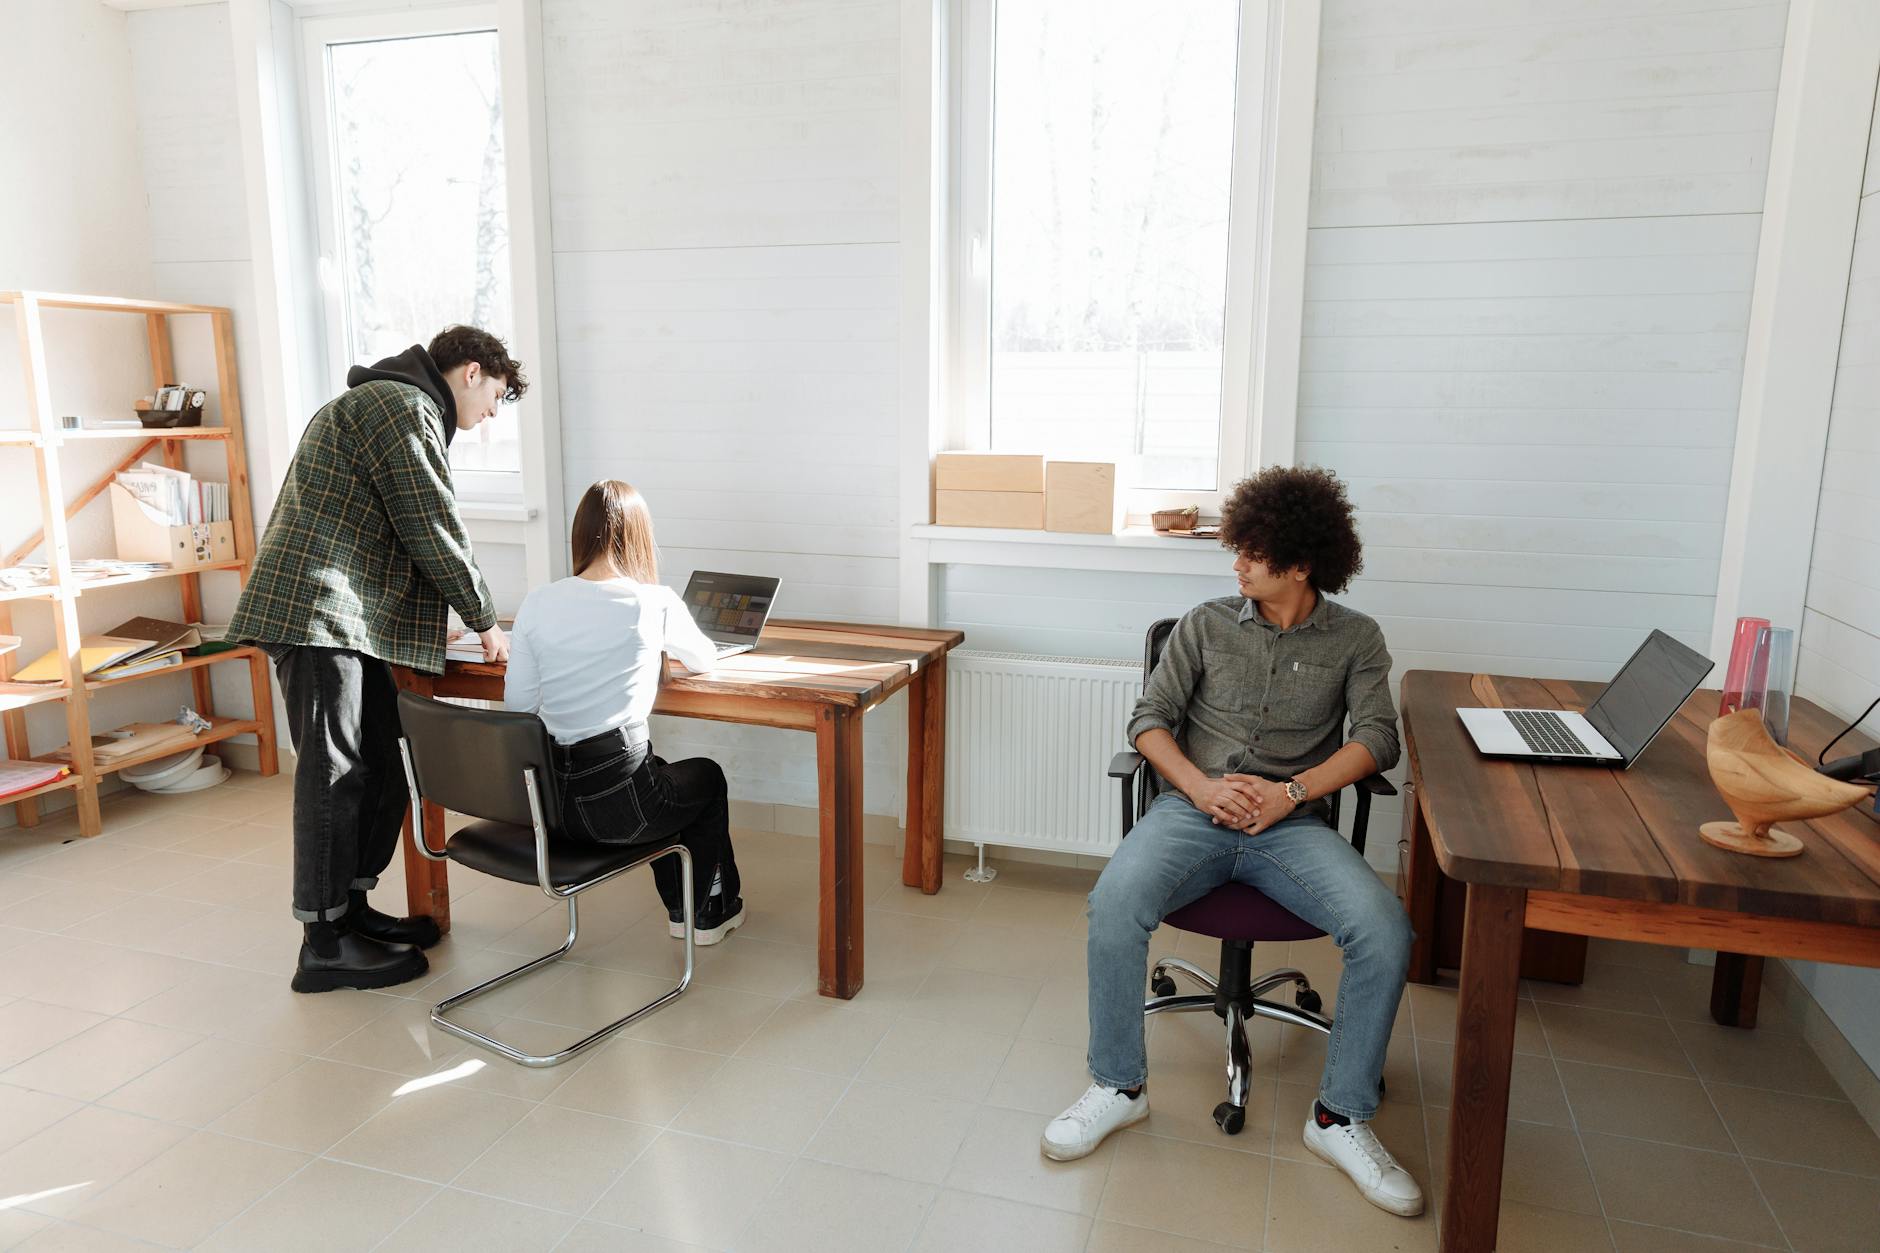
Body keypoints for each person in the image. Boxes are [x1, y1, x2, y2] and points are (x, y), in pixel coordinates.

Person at [1041, 465, 1423, 1217]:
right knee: (1114, 902)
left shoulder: (1356, 638)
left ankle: (1340, 1116)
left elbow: (1379, 738)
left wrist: (1291, 792)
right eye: (1237, 546)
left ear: (1303, 559)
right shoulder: (1206, 622)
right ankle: (1119, 1085)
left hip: (1292, 825)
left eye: (1253, 549)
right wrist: (1202, 787)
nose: (1236, 561)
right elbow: (1147, 720)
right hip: (1193, 813)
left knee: (1386, 928)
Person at [229, 325, 523, 993]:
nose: (490, 417)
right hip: (315, 613)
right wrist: (482, 618)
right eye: (497, 397)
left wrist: (432, 627)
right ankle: (324, 940)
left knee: (387, 758)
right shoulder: (401, 405)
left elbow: (386, 529)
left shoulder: (394, 404)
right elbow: (429, 521)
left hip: (345, 618)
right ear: (471, 371)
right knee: (333, 773)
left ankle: (353, 908)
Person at [502, 480, 744, 943]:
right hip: (621, 811)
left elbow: (518, 708)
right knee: (706, 779)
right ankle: (706, 913)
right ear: (639, 539)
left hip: (549, 809)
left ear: (579, 535)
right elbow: (705, 659)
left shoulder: (537, 602)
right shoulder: (653, 602)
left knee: (666, 777)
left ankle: (691, 907)